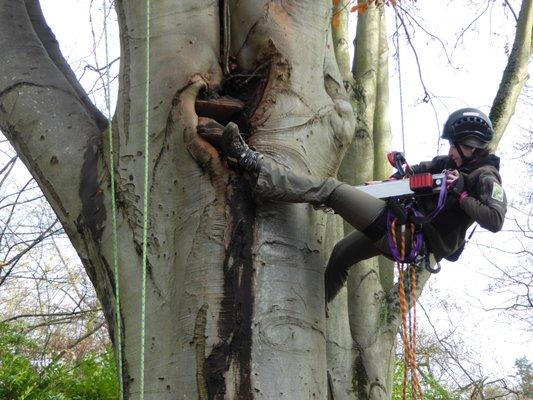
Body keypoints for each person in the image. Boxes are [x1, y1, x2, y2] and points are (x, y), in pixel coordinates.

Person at [207, 107, 507, 302]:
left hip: (405, 235)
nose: (451, 152)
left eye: (456, 146)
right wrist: (388, 183)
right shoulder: (446, 164)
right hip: (397, 225)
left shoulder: (485, 177)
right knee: (340, 255)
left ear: (472, 146)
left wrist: (463, 193)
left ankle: (259, 168)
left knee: (332, 190)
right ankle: (317, 310)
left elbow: (495, 220)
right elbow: (416, 172)